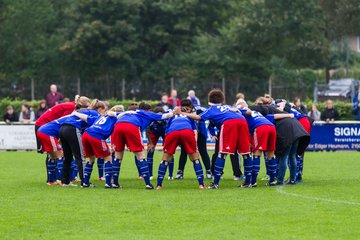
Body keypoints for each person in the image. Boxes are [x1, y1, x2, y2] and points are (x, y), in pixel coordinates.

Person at [175, 89, 251, 189]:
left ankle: (215, 183)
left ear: (210, 101)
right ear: (222, 100)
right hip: (242, 121)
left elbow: (198, 117)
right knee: (246, 153)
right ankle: (248, 182)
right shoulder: (229, 106)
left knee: (222, 153)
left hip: (229, 123)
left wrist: (182, 113)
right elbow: (249, 112)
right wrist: (239, 107)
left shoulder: (212, 109)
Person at [111, 102, 174, 189]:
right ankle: (148, 184)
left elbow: (110, 113)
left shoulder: (131, 112)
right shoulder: (146, 113)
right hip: (132, 126)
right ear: (147, 109)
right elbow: (162, 117)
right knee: (140, 156)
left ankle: (115, 183)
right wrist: (173, 112)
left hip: (118, 126)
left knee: (118, 156)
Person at [74, 105, 128, 188]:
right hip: (97, 135)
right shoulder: (114, 116)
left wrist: (75, 113)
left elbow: (86, 117)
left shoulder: (100, 116)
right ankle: (108, 183)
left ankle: (85, 182)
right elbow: (116, 114)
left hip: (86, 134)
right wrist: (128, 112)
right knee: (108, 158)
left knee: (91, 159)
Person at [156, 99, 205, 190]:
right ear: (189, 109)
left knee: (165, 159)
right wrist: (195, 146)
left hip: (172, 133)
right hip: (187, 131)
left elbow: (167, 131)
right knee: (195, 158)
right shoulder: (190, 117)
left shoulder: (172, 116)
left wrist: (168, 144)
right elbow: (195, 131)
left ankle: (159, 185)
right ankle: (201, 184)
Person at [59, 98, 102, 187]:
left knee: (68, 157)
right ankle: (84, 182)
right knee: (80, 156)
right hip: (73, 129)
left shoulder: (81, 111)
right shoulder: (95, 113)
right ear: (100, 108)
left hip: (62, 128)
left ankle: (65, 181)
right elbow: (91, 122)